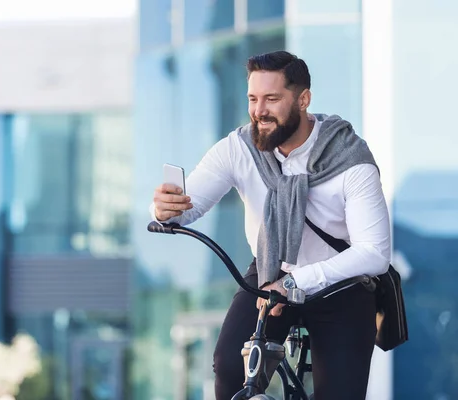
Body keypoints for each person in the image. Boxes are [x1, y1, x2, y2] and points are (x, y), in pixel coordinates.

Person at [150, 50, 391, 400]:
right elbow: (188, 206)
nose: (259, 111)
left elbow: (374, 253)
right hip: (269, 269)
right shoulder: (239, 148)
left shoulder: (351, 159)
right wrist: (165, 208)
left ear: (303, 99)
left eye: (272, 99)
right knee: (230, 366)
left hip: (342, 283)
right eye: (253, 98)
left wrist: (294, 282)